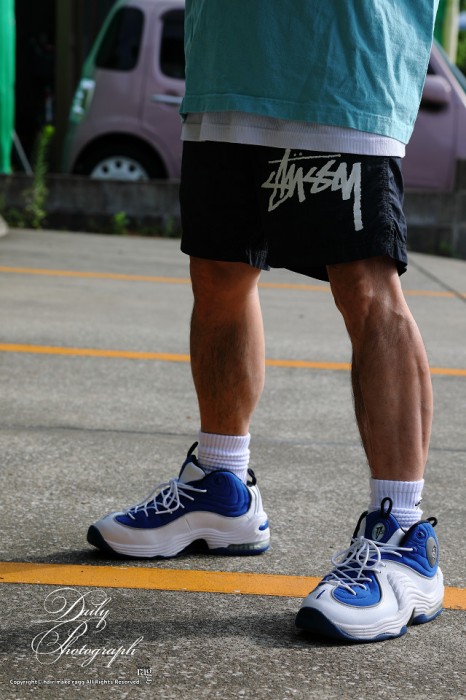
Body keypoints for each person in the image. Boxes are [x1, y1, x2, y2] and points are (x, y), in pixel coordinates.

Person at [88, 0, 444, 642]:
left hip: (340, 55)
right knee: (218, 271)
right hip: (225, 57)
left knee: (365, 283)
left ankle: (402, 537)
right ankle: (221, 484)